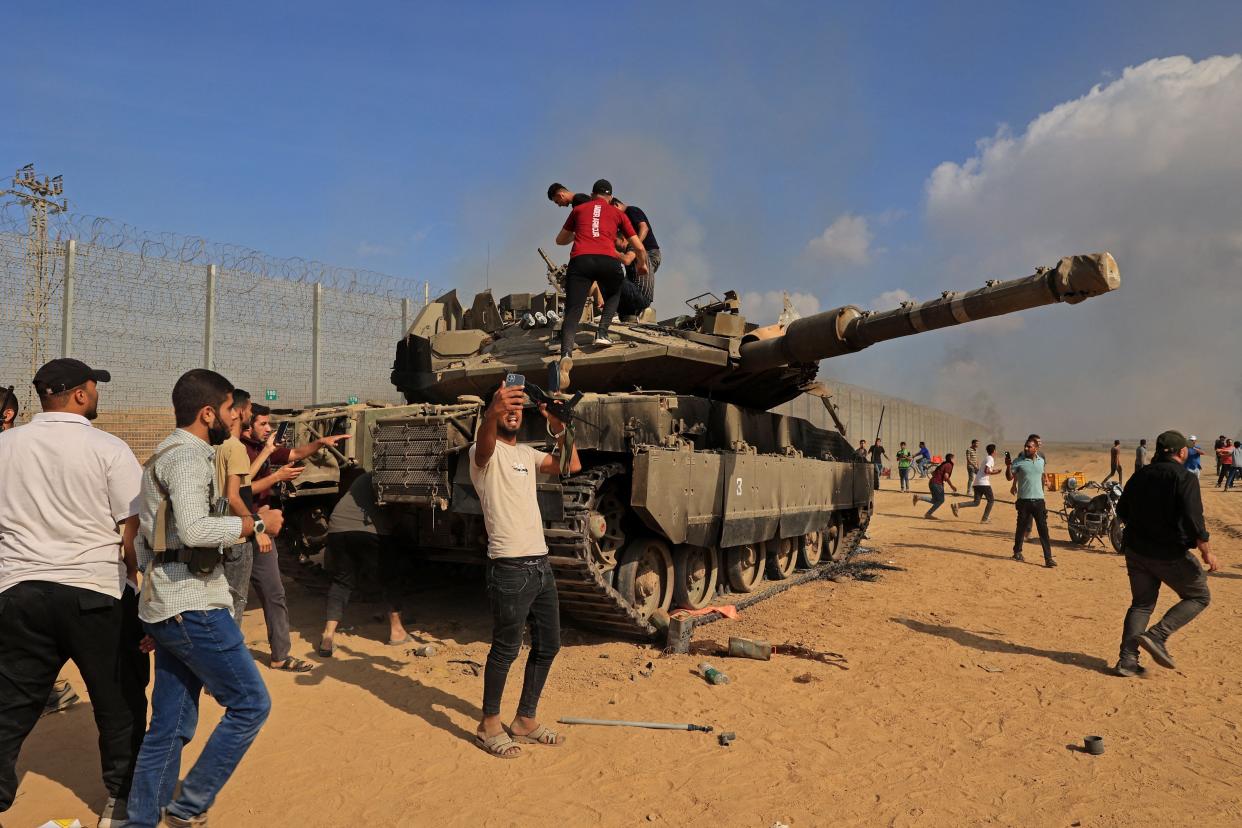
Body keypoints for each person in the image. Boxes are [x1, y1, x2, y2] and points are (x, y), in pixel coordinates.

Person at [128, 370, 284, 828]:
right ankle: (188, 808)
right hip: (192, 604)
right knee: (251, 705)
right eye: (234, 410)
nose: (240, 417)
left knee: (170, 726)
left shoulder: (166, 453)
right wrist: (254, 526)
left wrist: (156, 613)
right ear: (209, 413)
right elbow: (195, 531)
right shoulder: (190, 459)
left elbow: (143, 543)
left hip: (172, 605)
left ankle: (143, 820)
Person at [0, 359, 149, 827]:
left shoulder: (5, 445)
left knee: (10, 704)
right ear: (81, 395)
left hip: (18, 593)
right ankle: (120, 803)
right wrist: (131, 575)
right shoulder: (107, 448)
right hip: (94, 593)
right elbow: (132, 526)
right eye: (95, 387)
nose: (97, 395)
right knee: (119, 699)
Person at [469, 380, 580, 758]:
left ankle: (525, 720)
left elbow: (572, 465)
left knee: (549, 644)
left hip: (540, 563)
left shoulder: (528, 455)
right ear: (495, 411)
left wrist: (560, 425)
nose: (513, 413)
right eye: (506, 408)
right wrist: (493, 409)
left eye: (518, 409)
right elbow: (484, 442)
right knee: (505, 649)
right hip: (510, 567)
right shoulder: (483, 453)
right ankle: (488, 725)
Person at [242, 403, 348, 672]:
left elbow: (294, 453)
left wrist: (320, 443)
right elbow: (238, 491)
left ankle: (280, 655)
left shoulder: (264, 446)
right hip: (243, 529)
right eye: (263, 424)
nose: (269, 428)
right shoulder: (237, 449)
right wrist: (276, 478)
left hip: (263, 531)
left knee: (274, 593)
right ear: (247, 425)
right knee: (232, 600)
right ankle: (221, 669)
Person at [1113, 430, 1217, 677]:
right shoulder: (1185, 478)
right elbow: (1194, 518)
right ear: (1182, 452)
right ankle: (1157, 636)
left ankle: (1127, 661)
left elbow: (1123, 512)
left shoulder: (1139, 477)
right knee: (1199, 595)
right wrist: (1206, 551)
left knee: (1141, 604)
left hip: (1136, 551)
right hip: (1168, 554)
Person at [553, 179, 649, 389]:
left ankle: (566, 354)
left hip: (580, 261)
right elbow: (640, 247)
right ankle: (602, 333)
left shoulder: (579, 209)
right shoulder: (618, 214)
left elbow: (559, 240)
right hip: (608, 260)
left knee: (573, 310)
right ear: (610, 197)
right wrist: (641, 265)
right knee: (615, 291)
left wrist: (581, 232)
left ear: (592, 193)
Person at [318, 472, 410, 655]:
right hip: (368, 530)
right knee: (389, 577)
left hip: (337, 527)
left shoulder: (366, 477)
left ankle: (327, 637)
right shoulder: (400, 476)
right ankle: (397, 631)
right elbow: (395, 516)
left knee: (342, 581)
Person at [214, 390, 269, 623]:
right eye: (248, 409)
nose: (250, 413)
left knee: (219, 603)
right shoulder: (236, 448)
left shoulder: (218, 445)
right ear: (238, 412)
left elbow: (240, 483)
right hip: (237, 536)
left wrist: (267, 451)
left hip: (219, 531)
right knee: (236, 604)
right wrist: (258, 527)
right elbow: (234, 496)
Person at [1005, 438, 1056, 567]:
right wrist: (1008, 466)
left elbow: (1042, 473)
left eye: (1029, 447)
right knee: (1021, 528)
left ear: (1036, 448)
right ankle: (1017, 551)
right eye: (1025, 446)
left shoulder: (1041, 461)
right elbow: (1009, 477)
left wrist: (1047, 481)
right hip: (1024, 501)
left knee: (1043, 530)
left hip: (1039, 501)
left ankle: (1048, 558)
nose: (1026, 448)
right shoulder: (1018, 462)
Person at [609, 196, 660, 317]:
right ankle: (625, 312)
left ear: (616, 205)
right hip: (640, 252)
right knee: (629, 281)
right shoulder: (623, 222)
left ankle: (641, 311)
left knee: (637, 282)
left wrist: (636, 243)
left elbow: (644, 228)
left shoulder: (631, 211)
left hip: (650, 251)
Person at [955, 443, 997, 523]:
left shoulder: (986, 458)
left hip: (977, 483)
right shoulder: (991, 459)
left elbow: (984, 471)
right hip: (984, 483)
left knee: (976, 502)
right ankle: (985, 518)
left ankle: (958, 505)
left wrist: (994, 471)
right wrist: (995, 473)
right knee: (991, 500)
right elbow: (986, 471)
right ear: (994, 451)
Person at [913, 452, 956, 518]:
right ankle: (928, 514)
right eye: (954, 458)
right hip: (937, 484)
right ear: (951, 459)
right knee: (941, 500)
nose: (955, 460)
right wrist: (952, 486)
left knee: (935, 500)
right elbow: (946, 476)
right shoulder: (949, 465)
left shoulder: (943, 464)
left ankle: (919, 497)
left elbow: (933, 472)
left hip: (932, 482)